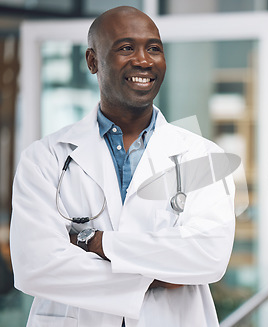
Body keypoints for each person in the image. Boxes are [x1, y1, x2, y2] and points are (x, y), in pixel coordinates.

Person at [10, 6, 235, 327]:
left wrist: (94, 242)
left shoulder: (201, 155)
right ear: (92, 61)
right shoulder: (45, 158)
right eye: (126, 47)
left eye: (154, 48)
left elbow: (208, 257)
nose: (144, 60)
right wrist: (159, 275)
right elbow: (36, 266)